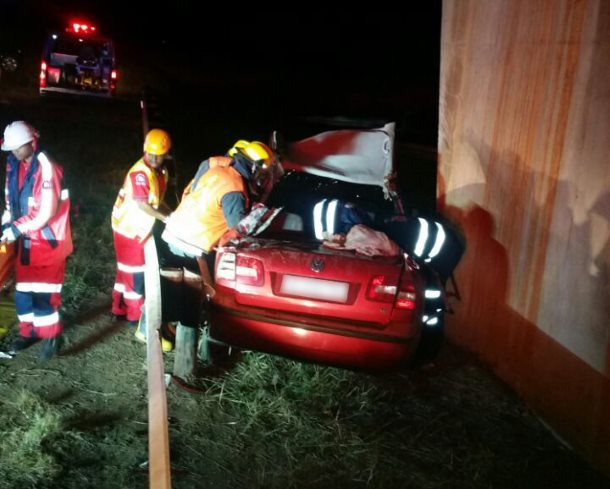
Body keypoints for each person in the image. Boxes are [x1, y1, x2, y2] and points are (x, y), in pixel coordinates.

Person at [150, 141, 276, 352]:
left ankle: (166, 329)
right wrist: (258, 213)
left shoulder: (215, 168)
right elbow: (238, 227)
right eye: (261, 171)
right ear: (254, 167)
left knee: (173, 289)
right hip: (193, 243)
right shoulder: (235, 190)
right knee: (192, 296)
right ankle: (185, 344)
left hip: (174, 232)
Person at [0, 121, 73, 361]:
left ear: (31, 143)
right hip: (27, 241)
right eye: (11, 149)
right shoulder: (15, 165)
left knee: (44, 295)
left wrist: (15, 229)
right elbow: (12, 202)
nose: (13, 152)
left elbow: (45, 212)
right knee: (23, 292)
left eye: (17, 148)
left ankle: (51, 335)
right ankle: (28, 332)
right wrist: (6, 225)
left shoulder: (47, 167)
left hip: (48, 243)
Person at [110, 128, 172, 326]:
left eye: (159, 155)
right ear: (145, 150)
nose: (154, 158)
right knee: (134, 273)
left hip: (137, 228)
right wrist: (166, 219)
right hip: (129, 228)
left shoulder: (161, 172)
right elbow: (143, 205)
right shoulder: (140, 174)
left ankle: (118, 307)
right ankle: (134, 316)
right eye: (150, 154)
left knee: (125, 271)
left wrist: (171, 213)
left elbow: (157, 201)